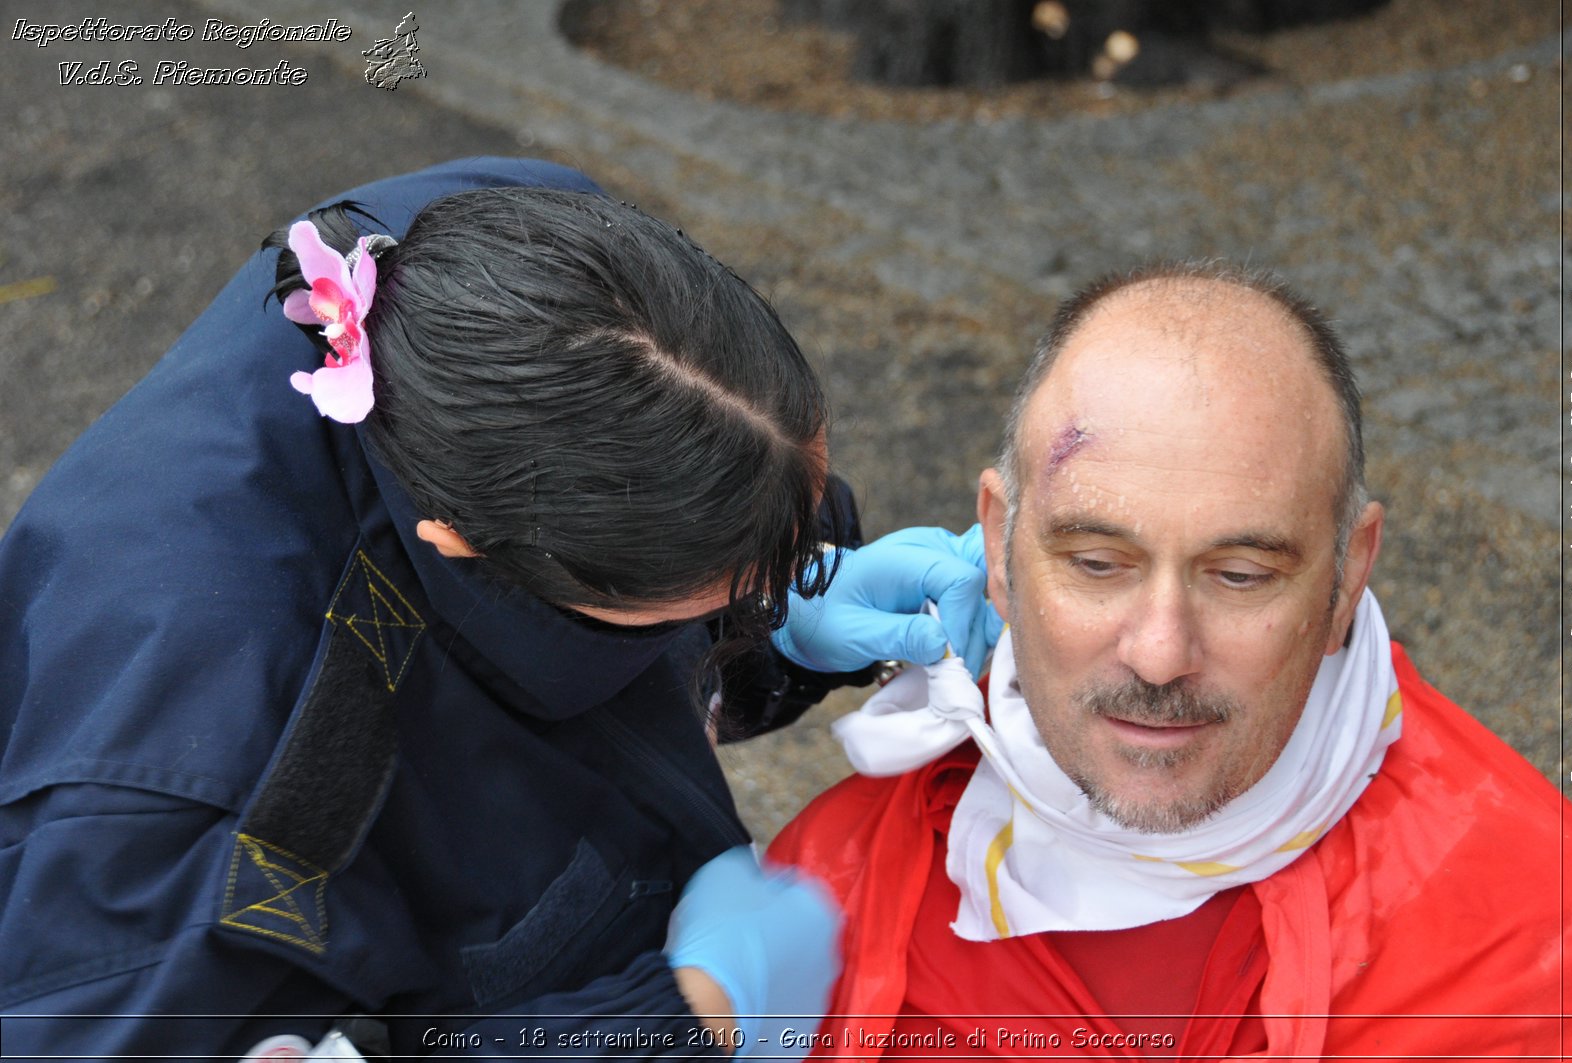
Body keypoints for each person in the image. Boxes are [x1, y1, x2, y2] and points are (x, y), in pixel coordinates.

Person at [0, 158, 991, 1060]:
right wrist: (675, 1016)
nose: (764, 586)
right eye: (728, 584)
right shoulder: (198, 816)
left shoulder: (487, 248)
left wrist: (779, 618)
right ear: (471, 550)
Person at [770, 261, 1572, 1059]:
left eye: (1239, 576)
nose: (1160, 653)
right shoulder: (828, 890)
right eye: (1097, 563)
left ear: (1348, 575)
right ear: (998, 545)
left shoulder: (1545, 937)